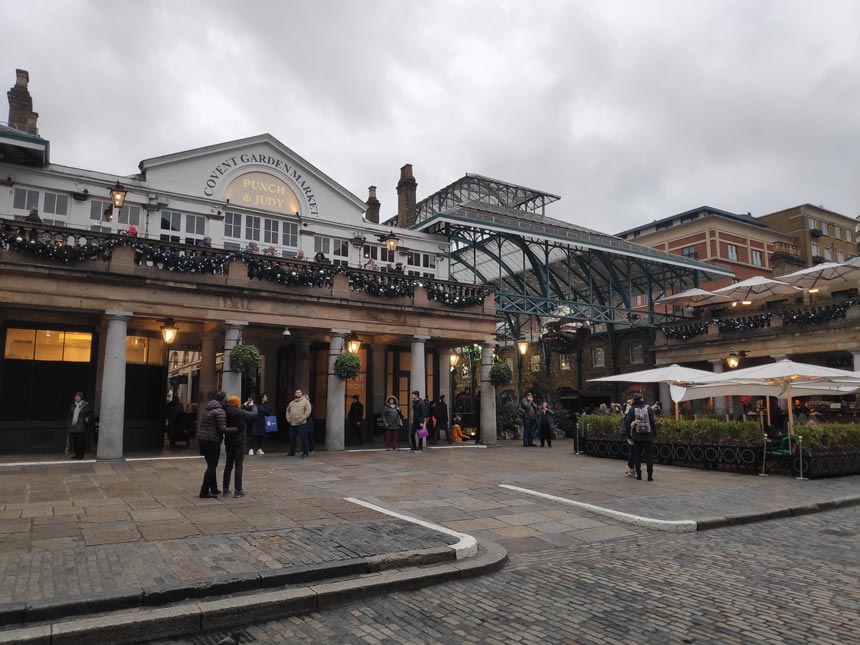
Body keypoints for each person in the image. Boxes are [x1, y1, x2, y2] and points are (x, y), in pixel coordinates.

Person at [223, 396, 256, 497]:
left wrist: (242, 406)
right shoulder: (241, 413)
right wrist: (253, 406)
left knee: (228, 464)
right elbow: (254, 415)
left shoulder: (226, 411)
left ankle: (225, 489)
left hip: (229, 441)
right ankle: (238, 489)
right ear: (237, 403)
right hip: (240, 442)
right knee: (238, 465)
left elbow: (235, 409)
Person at [197, 391, 227, 498]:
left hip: (203, 439)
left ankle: (214, 489)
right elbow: (222, 428)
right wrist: (235, 429)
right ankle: (204, 491)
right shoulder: (219, 411)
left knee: (211, 464)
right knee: (212, 466)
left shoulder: (208, 410)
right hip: (212, 440)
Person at [623, 392, 656, 481]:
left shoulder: (631, 409)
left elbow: (627, 423)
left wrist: (629, 436)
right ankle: (650, 476)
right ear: (641, 399)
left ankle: (639, 475)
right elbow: (652, 422)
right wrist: (654, 434)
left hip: (637, 436)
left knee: (637, 456)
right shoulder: (648, 408)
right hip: (648, 436)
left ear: (633, 400)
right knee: (649, 457)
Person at [286, 388, 312, 458]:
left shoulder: (305, 401)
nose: (298, 393)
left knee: (303, 438)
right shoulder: (291, 402)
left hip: (302, 423)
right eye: (296, 392)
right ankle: (292, 452)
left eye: (299, 392)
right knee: (292, 438)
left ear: (301, 393)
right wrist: (288, 419)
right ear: (295, 394)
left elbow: (308, 411)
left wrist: (303, 418)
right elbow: (287, 411)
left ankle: (305, 452)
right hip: (292, 423)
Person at [66, 391, 92, 459]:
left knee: (80, 441)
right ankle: (76, 454)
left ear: (81, 397)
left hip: (81, 425)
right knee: (75, 441)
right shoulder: (73, 405)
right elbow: (70, 415)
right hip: (73, 425)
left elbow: (90, 413)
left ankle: (81, 454)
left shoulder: (85, 405)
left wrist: (87, 420)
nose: (77, 398)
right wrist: (69, 423)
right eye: (76, 396)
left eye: (78, 396)